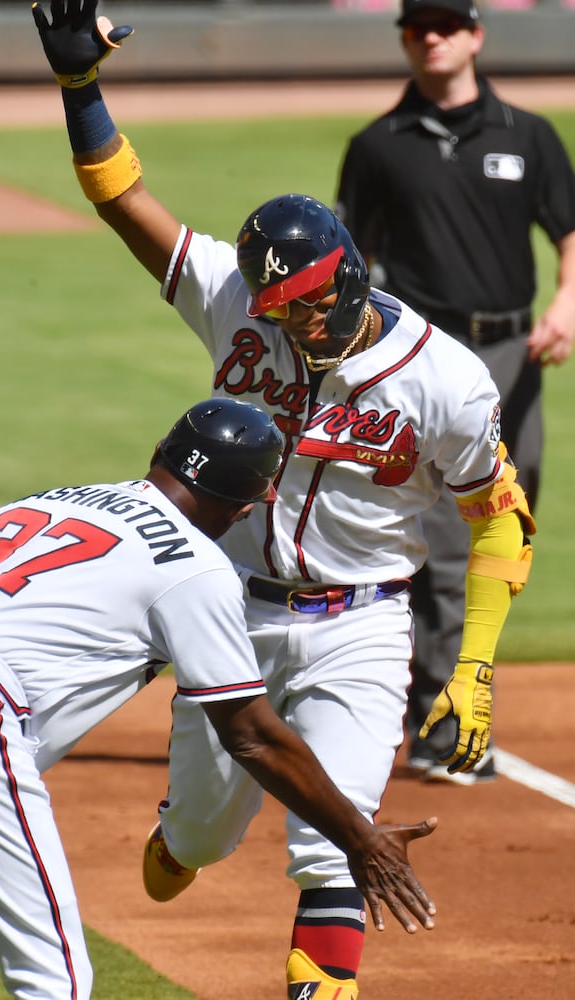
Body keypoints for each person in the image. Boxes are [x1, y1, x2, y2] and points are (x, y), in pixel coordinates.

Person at [30, 3, 535, 996]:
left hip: (365, 624)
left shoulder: (447, 380)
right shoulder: (235, 303)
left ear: (346, 274)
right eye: (277, 308)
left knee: (334, 845)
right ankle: (184, 831)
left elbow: (497, 518)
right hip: (227, 611)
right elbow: (124, 201)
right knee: (205, 838)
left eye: (308, 302)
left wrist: (472, 667)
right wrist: (80, 88)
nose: (291, 323)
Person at [0, 399, 441, 1000]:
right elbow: (249, 734)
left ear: (160, 454)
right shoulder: (195, 565)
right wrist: (360, 841)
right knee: (54, 979)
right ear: (242, 509)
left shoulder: (43, 501)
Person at [334, 0, 575, 785]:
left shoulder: (528, 135)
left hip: (512, 354)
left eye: (446, 24)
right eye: (416, 27)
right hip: (424, 365)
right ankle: (441, 725)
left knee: (505, 530)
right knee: (439, 546)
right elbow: (352, 265)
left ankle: (457, 699)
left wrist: (566, 305)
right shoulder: (376, 146)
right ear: (405, 39)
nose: (431, 37)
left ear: (476, 34)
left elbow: (569, 232)